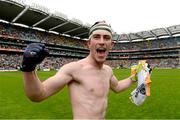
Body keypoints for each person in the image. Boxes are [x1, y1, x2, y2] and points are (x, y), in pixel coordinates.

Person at [20, 21, 136, 119]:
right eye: (96, 37)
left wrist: (135, 76)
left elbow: (117, 87)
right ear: (89, 43)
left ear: (111, 45)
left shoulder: (108, 70)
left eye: (106, 38)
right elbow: (38, 95)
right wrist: (28, 67)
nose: (101, 41)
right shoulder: (74, 69)